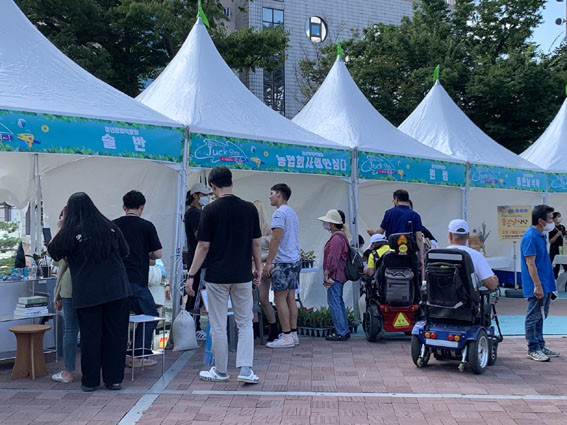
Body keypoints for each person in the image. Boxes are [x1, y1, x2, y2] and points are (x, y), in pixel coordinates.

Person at [185, 166, 262, 384]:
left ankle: (220, 371)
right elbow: (256, 243)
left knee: (218, 324)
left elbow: (203, 246)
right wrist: (258, 267)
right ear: (231, 183)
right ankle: (245, 369)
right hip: (242, 274)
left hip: (216, 275)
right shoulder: (249, 209)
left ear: (212, 186)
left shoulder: (209, 210)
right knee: (245, 323)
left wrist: (191, 275)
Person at [48, 192, 130, 392]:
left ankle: (90, 381)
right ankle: (114, 380)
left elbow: (53, 252)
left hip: (88, 291)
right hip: (117, 288)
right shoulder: (111, 227)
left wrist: (62, 226)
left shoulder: (71, 232)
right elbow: (125, 252)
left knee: (90, 336)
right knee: (116, 335)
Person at [114, 190, 163, 367]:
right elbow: (158, 254)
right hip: (137, 280)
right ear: (142, 207)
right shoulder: (147, 226)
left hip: (116, 281)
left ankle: (117, 355)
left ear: (124, 207)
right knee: (150, 316)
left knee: (117, 320)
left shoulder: (113, 225)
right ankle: (137, 355)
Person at [263, 184, 301, 349]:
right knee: (290, 297)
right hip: (294, 259)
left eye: (271, 193)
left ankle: (286, 335)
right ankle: (293, 333)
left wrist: (269, 262)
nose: (270, 196)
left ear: (279, 194)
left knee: (279, 299)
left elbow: (275, 239)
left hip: (283, 261)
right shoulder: (291, 212)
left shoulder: (279, 213)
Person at [521, 205, 560, 362]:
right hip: (537, 284)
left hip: (545, 282)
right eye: (550, 218)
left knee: (541, 315)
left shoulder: (541, 235)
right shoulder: (530, 237)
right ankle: (533, 348)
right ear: (541, 220)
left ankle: (540, 344)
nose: (552, 221)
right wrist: (537, 285)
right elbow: (530, 263)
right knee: (533, 316)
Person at [51, 207, 79, 384]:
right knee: (89, 329)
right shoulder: (87, 233)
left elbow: (56, 260)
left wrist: (57, 296)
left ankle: (68, 372)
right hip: (89, 288)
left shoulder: (65, 237)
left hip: (69, 288)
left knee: (70, 330)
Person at [184, 183, 213, 340]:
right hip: (198, 260)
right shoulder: (194, 213)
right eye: (204, 195)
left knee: (198, 294)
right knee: (196, 295)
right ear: (195, 195)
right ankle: (193, 328)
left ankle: (194, 326)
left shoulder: (199, 213)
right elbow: (199, 235)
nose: (206, 198)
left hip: (201, 260)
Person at [367, 189, 424, 266]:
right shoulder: (416, 215)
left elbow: (380, 232)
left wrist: (373, 233)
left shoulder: (389, 213)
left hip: (392, 254)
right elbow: (419, 238)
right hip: (409, 255)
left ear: (396, 199)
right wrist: (421, 258)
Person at [319, 209, 351, 341]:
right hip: (340, 274)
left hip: (335, 275)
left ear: (332, 224)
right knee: (338, 301)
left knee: (334, 302)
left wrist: (327, 272)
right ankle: (344, 330)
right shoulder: (342, 236)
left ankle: (341, 331)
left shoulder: (336, 238)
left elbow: (333, 258)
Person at [446, 219, 499, 290]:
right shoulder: (475, 255)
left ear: (449, 235)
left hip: (441, 295)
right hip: (466, 296)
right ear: (468, 235)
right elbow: (491, 285)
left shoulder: (439, 255)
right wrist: (494, 279)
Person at [253, 200, 279, 342]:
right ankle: (272, 327)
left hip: (256, 266)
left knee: (254, 300)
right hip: (262, 266)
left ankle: (257, 328)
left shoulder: (263, 229)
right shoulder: (267, 229)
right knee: (263, 300)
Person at [548, 212, 566, 279]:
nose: (560, 218)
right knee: (555, 266)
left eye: (560, 216)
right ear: (553, 218)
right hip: (554, 249)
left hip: (563, 249)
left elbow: (565, 237)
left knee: (565, 264)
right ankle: (554, 280)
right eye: (558, 216)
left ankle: (563, 281)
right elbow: (550, 241)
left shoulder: (562, 227)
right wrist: (557, 235)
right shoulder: (551, 228)